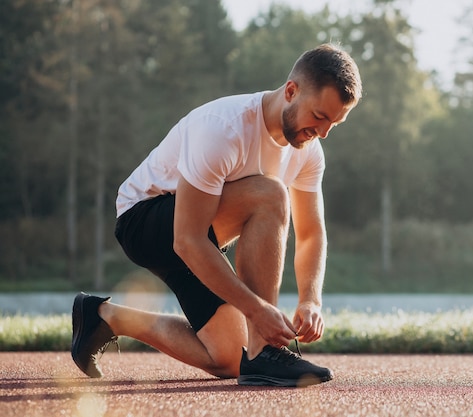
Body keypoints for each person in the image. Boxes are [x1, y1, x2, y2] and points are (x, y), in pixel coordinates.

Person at [70, 43, 362, 387]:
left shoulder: (308, 152)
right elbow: (187, 239)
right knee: (270, 194)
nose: (323, 132)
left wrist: (310, 300)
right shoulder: (223, 127)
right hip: (144, 220)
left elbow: (311, 233)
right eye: (319, 116)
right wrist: (257, 311)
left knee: (228, 358)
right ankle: (264, 352)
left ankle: (105, 316)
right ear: (291, 91)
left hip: (200, 238)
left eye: (334, 123)